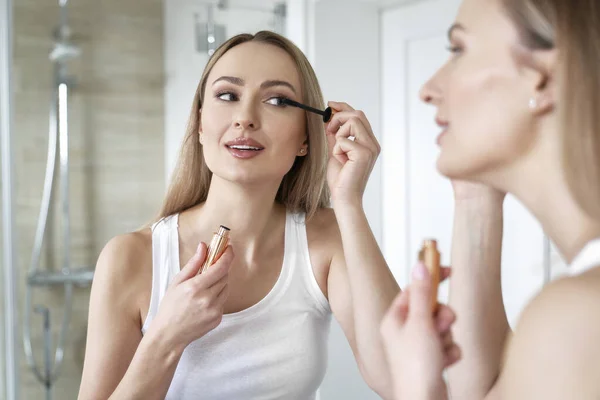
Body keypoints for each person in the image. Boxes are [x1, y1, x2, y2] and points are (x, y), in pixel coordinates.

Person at [78, 31, 399, 400]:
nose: (245, 118)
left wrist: (349, 202)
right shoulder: (129, 259)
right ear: (200, 124)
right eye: (227, 96)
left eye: (277, 100)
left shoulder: (326, 240)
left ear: (305, 139)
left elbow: (400, 379)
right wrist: (166, 337)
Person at [380, 0, 600, 398]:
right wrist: (473, 190)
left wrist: (416, 389)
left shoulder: (577, 317)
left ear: (544, 80)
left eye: (458, 50)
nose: (428, 90)